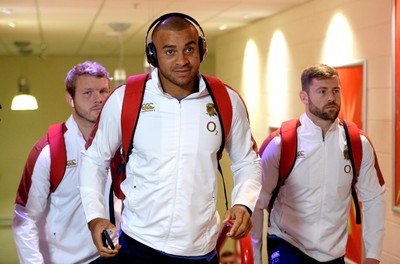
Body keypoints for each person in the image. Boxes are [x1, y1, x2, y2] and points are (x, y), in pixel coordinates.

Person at [79, 13, 261, 263]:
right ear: (153, 55)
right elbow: (94, 159)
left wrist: (244, 203)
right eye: (169, 51)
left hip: (201, 249)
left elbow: (247, 161)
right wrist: (95, 217)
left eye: (189, 49)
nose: (182, 60)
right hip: (139, 244)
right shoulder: (125, 99)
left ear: (201, 49)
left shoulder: (226, 100)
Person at [251, 64, 386, 264]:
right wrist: (255, 258)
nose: (331, 97)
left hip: (333, 253)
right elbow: (255, 202)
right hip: (288, 243)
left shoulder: (358, 143)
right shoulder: (280, 143)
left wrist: (372, 257)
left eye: (336, 90)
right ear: (304, 97)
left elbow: (374, 199)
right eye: (322, 91)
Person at [12, 61, 118, 263]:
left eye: (103, 91)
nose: (98, 99)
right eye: (87, 93)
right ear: (70, 98)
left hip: (114, 256)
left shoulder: (120, 143)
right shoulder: (48, 152)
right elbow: (24, 218)